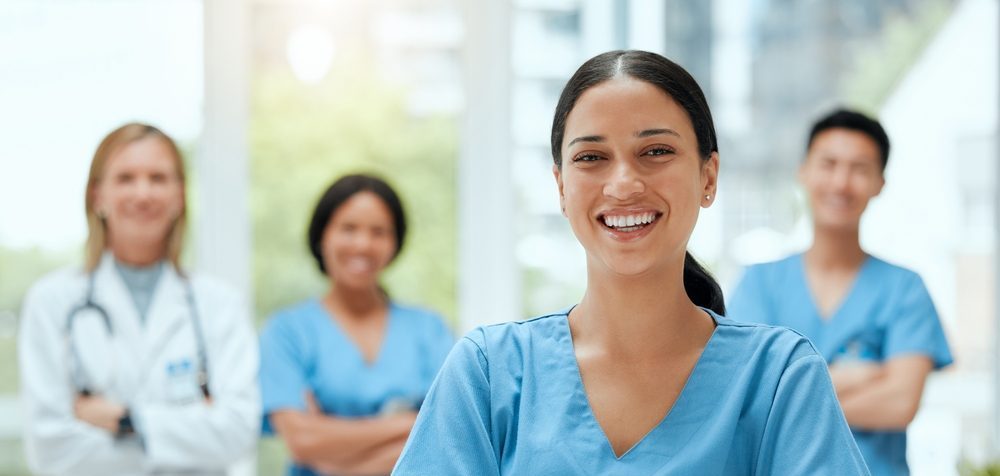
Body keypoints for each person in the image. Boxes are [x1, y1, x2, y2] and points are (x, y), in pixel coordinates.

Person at [393, 50, 868, 475]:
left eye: (656, 151)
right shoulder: (488, 374)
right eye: (592, 156)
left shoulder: (779, 377)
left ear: (708, 175)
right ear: (560, 187)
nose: (623, 183)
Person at [18, 123, 260, 475]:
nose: (143, 193)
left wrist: (124, 421)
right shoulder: (53, 302)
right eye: (126, 178)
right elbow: (50, 449)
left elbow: (238, 433)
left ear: (179, 196)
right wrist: (192, 431)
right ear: (97, 195)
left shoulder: (219, 303)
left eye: (158, 178)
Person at [727, 108, 953, 475]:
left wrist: (794, 394)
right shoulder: (759, 284)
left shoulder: (905, 289)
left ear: (880, 182)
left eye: (860, 168)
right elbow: (746, 401)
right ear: (804, 171)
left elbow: (900, 403)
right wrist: (861, 375)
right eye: (828, 164)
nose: (841, 183)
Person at [258, 174, 454, 475]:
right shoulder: (287, 332)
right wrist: (411, 423)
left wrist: (331, 440)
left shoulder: (429, 330)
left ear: (395, 242)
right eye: (348, 229)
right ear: (322, 236)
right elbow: (301, 440)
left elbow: (449, 430)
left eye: (379, 232)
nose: (363, 244)